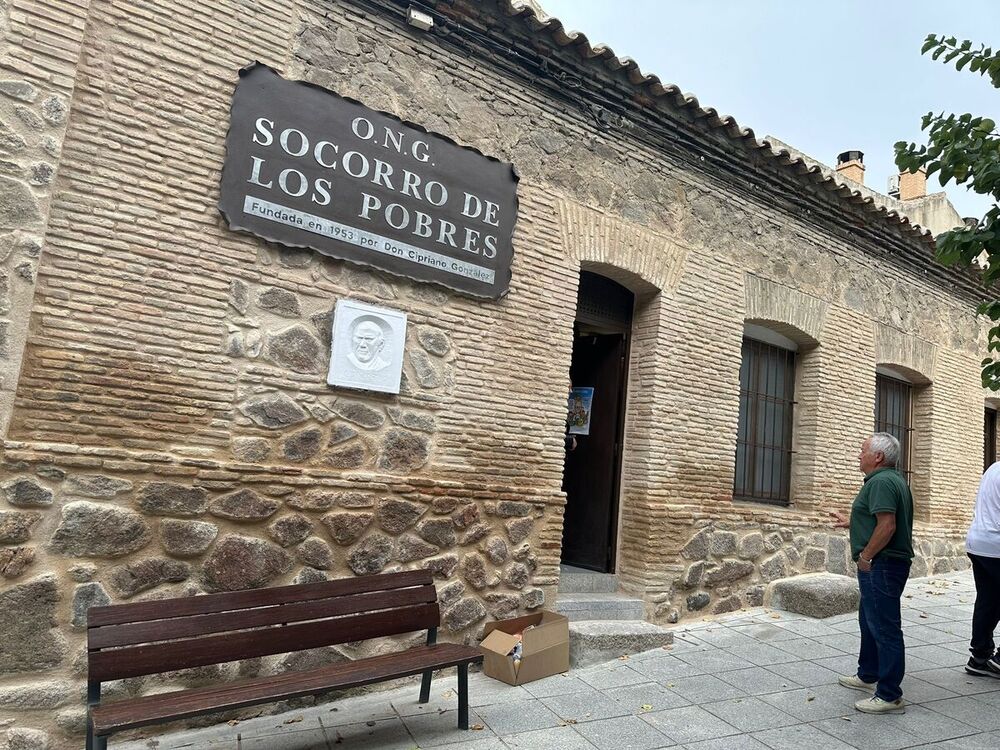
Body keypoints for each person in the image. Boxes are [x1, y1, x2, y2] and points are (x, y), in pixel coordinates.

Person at [830, 432, 914, 714]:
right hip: (885, 564)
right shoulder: (889, 480)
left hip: (882, 564)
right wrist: (853, 522)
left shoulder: (881, 482)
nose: (858, 454)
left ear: (878, 457)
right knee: (869, 621)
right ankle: (869, 674)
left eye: (862, 449)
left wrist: (866, 556)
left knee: (884, 627)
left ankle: (890, 695)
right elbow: (879, 518)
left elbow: (887, 525)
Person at [965, 461, 1000, 678]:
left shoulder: (994, 467)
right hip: (996, 546)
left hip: (978, 543)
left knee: (989, 599)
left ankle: (979, 657)